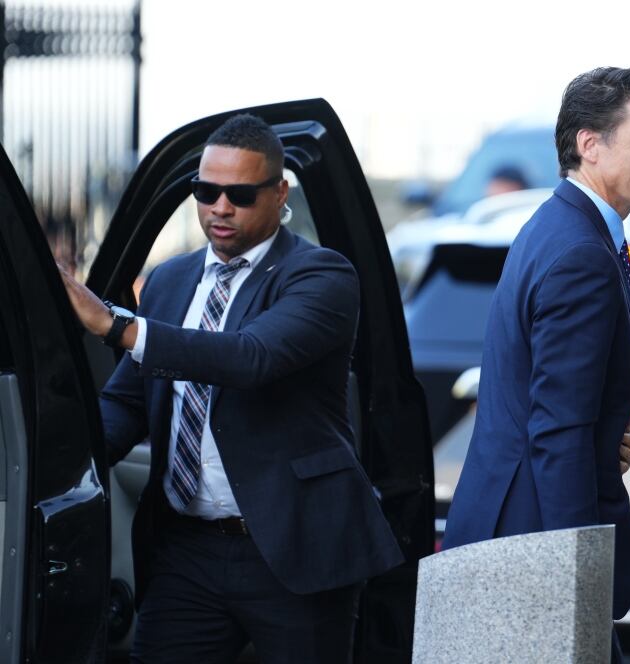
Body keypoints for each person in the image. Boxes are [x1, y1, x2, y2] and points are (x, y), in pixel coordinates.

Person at [58, 113, 401, 663]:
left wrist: (118, 325)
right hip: (183, 552)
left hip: (293, 549)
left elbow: (251, 358)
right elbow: (127, 401)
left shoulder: (321, 276)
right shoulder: (170, 280)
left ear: (279, 191)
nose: (220, 207)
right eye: (206, 190)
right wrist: (57, 461)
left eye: (240, 193)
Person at [441, 66, 630, 660]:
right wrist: (577, 583)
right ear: (590, 144)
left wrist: (604, 439)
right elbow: (557, 431)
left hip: (518, 532)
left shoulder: (559, 226)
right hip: (537, 550)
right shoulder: (579, 251)